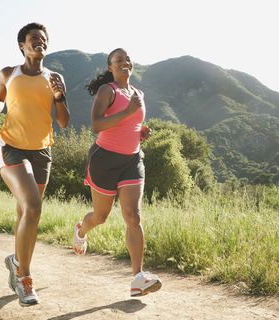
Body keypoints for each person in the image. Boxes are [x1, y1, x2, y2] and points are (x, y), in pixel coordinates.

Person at [0, 22, 70, 306]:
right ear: (22, 45)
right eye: (34, 38)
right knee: (33, 207)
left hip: (42, 151)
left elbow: (64, 121)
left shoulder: (55, 77)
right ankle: (24, 277)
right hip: (12, 148)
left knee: (26, 213)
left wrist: (60, 97)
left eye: (43, 39)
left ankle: (15, 261)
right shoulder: (9, 73)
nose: (39, 42)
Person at [73, 48, 160, 297]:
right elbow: (96, 125)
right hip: (104, 160)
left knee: (133, 216)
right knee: (100, 216)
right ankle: (80, 231)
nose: (125, 62)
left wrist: (141, 131)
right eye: (118, 60)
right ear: (110, 67)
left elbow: (131, 123)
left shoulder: (138, 93)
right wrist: (128, 112)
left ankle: (138, 278)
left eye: (127, 59)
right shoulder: (107, 90)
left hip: (132, 159)